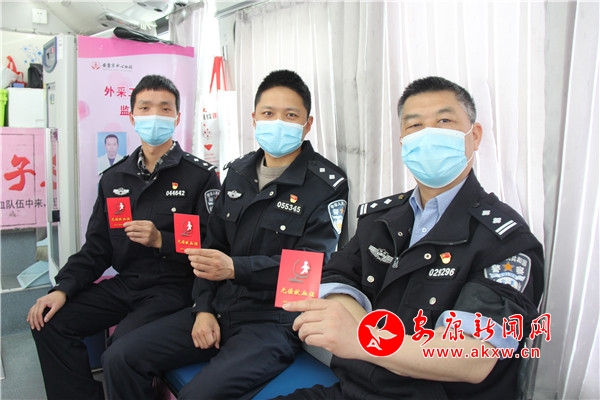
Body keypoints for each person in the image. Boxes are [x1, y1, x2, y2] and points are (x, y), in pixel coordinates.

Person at [278, 76, 545, 399]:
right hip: (356, 389)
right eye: (415, 125)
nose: (428, 135)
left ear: (474, 136)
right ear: (403, 141)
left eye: (444, 121)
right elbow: (336, 277)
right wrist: (369, 333)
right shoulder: (381, 219)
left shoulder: (504, 240)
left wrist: (364, 339)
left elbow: (473, 357)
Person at [101, 69, 349, 399]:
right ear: (254, 119)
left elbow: (308, 267)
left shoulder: (326, 185)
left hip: (272, 323)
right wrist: (203, 308)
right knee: (119, 358)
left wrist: (235, 268)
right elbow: (211, 247)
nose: (278, 122)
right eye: (268, 113)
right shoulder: (238, 172)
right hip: (219, 307)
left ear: (307, 124)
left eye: (290, 115)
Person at [27, 74, 222, 400]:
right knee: (49, 322)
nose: (154, 115)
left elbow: (212, 246)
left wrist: (161, 239)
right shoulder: (115, 178)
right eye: (145, 108)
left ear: (177, 117)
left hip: (174, 288)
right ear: (132, 117)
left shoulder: (199, 176)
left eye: (164, 108)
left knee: (120, 349)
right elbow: (97, 248)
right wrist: (63, 288)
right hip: (127, 283)